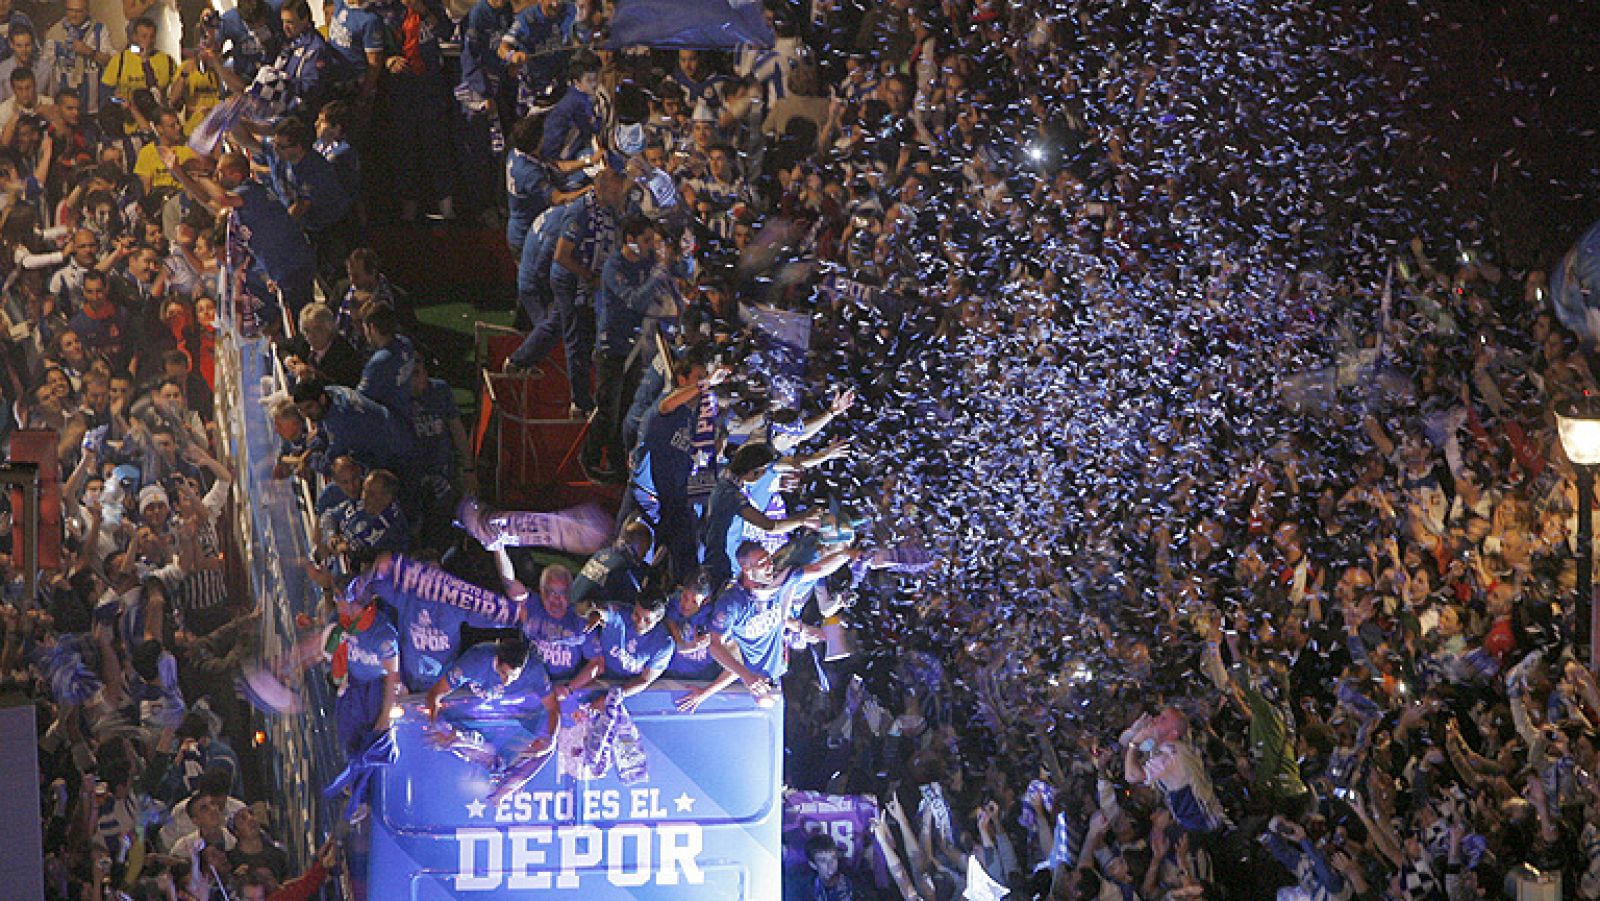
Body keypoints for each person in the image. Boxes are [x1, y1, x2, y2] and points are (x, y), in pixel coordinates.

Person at [161, 148, 317, 320]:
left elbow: (222, 198)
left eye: (220, 172)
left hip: (292, 263)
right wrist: (179, 172)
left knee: (305, 317)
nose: (216, 177)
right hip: (282, 269)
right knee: (298, 320)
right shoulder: (238, 202)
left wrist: (201, 177)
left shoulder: (251, 191)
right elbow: (206, 201)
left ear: (235, 175)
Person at [46, 0, 113, 116]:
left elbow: (110, 62)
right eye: (70, 10)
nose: (74, 15)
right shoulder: (55, 32)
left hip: (92, 104)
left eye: (78, 11)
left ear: (87, 11)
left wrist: (89, 52)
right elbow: (46, 67)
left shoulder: (99, 30)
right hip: (63, 104)